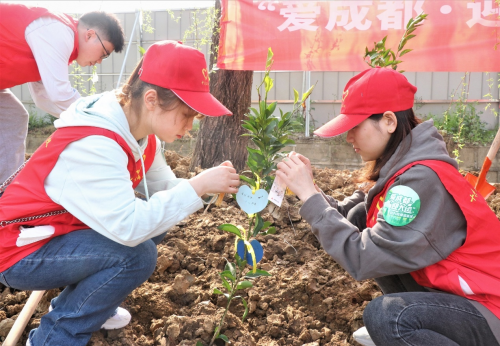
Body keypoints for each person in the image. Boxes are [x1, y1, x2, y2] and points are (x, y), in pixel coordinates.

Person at [0, 40, 241, 346]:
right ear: (151, 99)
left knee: (153, 225)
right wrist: (197, 186)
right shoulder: (96, 143)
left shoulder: (140, 134)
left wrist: (207, 188)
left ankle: (94, 301)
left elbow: (165, 189)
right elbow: (128, 228)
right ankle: (54, 338)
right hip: (18, 250)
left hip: (58, 234)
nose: (190, 127)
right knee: (137, 254)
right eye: (186, 115)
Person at [276, 67, 500, 346]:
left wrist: (310, 196)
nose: (348, 138)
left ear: (389, 121)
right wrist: (311, 190)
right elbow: (348, 219)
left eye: (355, 127)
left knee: (388, 317)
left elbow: (362, 258)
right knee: (361, 216)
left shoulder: (420, 179)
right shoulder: (402, 169)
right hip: (457, 295)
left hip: (489, 308)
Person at [0, 2, 125, 185]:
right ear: (90, 35)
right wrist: (101, 120)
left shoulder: (58, 42)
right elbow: (59, 93)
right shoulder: (58, 31)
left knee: (14, 117)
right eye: (103, 54)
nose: (99, 61)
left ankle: (5, 189)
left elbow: (44, 98)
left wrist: (86, 124)